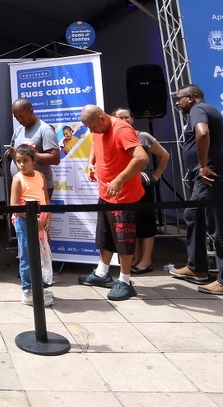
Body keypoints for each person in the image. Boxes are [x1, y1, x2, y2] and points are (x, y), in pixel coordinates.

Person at [169, 84, 223, 295]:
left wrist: (202, 166)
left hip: (210, 175)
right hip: (206, 175)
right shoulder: (202, 109)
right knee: (193, 215)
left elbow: (202, 133)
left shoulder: (198, 110)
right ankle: (197, 268)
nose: (176, 103)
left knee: (218, 226)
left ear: (190, 98)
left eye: (179, 98)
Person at [78, 105, 148, 301]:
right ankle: (102, 273)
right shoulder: (98, 129)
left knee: (124, 239)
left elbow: (141, 158)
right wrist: (91, 163)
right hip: (106, 193)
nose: (92, 131)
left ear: (102, 118)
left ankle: (125, 281)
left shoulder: (122, 130)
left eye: (92, 126)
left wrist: (119, 179)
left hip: (124, 196)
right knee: (105, 235)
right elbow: (95, 142)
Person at [113, 108, 170, 274]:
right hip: (124, 185)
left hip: (142, 185)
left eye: (127, 117)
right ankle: (136, 258)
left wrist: (156, 176)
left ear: (132, 119)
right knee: (132, 223)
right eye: (120, 117)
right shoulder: (114, 136)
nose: (124, 120)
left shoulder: (143, 136)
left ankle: (146, 261)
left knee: (145, 223)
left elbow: (164, 155)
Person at [9, 143, 53, 306]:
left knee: (40, 254)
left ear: (33, 160)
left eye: (25, 161)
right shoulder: (17, 179)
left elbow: (45, 198)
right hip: (24, 220)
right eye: (18, 161)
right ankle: (27, 290)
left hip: (41, 219)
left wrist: (49, 215)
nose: (21, 164)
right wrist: (33, 220)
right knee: (27, 255)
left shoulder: (40, 176)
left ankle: (37, 287)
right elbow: (14, 207)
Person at [8, 99, 61, 193]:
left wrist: (29, 155)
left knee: (40, 209)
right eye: (16, 117)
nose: (19, 120)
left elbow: (55, 158)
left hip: (39, 187)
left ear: (31, 111)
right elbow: (11, 154)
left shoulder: (45, 130)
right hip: (20, 185)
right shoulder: (18, 130)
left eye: (22, 116)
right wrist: (11, 154)